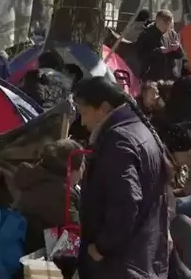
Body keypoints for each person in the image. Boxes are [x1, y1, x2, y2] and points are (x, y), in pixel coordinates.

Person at [72, 76, 170, 278]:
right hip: (141, 255)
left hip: (122, 263)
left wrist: (102, 246)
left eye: (85, 113)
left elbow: (125, 201)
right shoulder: (137, 130)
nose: (83, 122)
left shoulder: (118, 140)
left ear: (104, 108)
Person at [14, 139, 87, 254]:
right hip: (36, 261)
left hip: (20, 249)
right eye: (81, 166)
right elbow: (76, 237)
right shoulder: (62, 194)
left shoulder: (34, 178)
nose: (82, 172)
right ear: (71, 171)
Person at [136, 9, 187, 81]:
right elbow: (140, 55)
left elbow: (180, 55)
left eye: (170, 25)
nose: (168, 27)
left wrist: (177, 48)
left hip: (170, 76)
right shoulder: (146, 34)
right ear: (158, 21)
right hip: (152, 76)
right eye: (166, 24)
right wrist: (159, 51)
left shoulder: (172, 34)